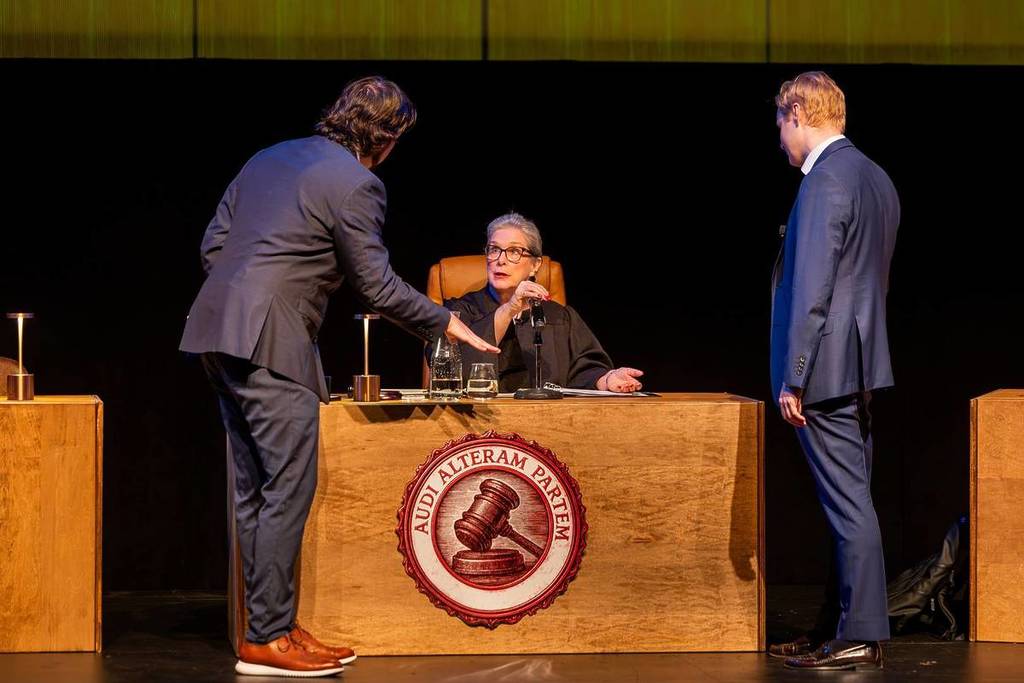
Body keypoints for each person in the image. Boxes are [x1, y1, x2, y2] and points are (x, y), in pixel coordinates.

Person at [179, 76, 498, 677]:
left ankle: (270, 626)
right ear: (387, 137)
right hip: (270, 342)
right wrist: (444, 322)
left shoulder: (267, 157)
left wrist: (250, 294)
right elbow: (375, 284)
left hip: (216, 333)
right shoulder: (357, 183)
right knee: (287, 490)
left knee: (256, 491)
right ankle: (267, 638)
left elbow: (213, 247)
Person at [768, 72, 899, 671]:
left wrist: (795, 374)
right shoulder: (875, 177)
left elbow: (813, 288)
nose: (779, 137)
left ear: (797, 113)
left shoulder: (824, 181)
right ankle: (837, 625)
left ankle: (862, 633)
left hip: (824, 368)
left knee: (849, 505)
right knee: (850, 501)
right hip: (860, 363)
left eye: (780, 123)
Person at [444, 212, 643, 393]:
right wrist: (510, 308)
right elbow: (452, 370)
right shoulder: (459, 311)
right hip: (481, 417)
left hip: (549, 417)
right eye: (494, 249)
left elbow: (585, 369)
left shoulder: (560, 317)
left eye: (514, 251)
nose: (501, 260)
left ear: (535, 265)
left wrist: (606, 379)